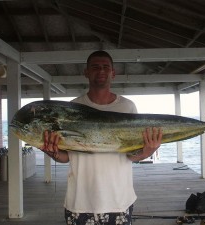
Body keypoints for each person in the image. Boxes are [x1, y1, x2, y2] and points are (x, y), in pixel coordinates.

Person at [41, 50, 162, 225]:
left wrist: (146, 152)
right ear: (86, 72)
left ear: (113, 73)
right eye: (95, 67)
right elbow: (66, 156)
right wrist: (52, 152)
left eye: (106, 67)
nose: (101, 71)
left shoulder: (128, 106)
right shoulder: (71, 108)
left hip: (119, 201)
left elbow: (131, 155)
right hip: (80, 202)